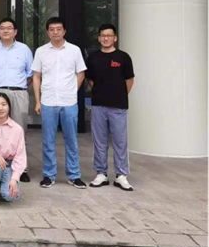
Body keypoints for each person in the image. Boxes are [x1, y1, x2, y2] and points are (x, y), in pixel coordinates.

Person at [32, 17, 87, 189]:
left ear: (64, 31)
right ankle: (49, 175)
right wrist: (37, 101)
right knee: (48, 141)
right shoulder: (41, 51)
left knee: (71, 140)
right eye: (52, 29)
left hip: (69, 102)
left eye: (58, 29)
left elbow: (81, 73)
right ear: (47, 32)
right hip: (48, 101)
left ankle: (74, 175)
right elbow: (36, 76)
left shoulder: (74, 50)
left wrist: (72, 90)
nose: (55, 32)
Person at [86, 24, 135, 191]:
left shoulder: (123, 57)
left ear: (115, 38)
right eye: (103, 35)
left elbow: (129, 80)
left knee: (120, 141)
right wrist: (101, 93)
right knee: (99, 141)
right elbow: (90, 80)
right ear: (99, 38)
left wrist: (119, 94)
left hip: (118, 106)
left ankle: (121, 175)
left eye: (109, 35)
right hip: (98, 105)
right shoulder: (93, 57)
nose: (105, 38)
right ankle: (101, 173)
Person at [0, 17, 34, 183]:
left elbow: (30, 74)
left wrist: (19, 87)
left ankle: (22, 168)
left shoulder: (24, 49)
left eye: (9, 28)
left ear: (15, 32)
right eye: (2, 28)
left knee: (19, 130)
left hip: (18, 92)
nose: (5, 31)